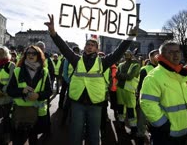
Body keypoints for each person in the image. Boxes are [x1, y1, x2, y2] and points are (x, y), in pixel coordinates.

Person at [44, 14, 137, 145]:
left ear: (97, 48)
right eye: (88, 44)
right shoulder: (76, 59)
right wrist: (53, 33)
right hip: (77, 102)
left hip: (95, 103)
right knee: (75, 134)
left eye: (93, 45)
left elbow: (118, 52)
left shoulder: (103, 62)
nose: (90, 46)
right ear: (85, 46)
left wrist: (130, 37)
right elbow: (63, 48)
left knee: (94, 135)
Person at [140, 41, 187, 145]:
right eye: (171, 52)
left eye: (178, 51)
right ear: (162, 55)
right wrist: (163, 125)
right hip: (167, 134)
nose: (176, 55)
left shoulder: (181, 73)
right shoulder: (153, 76)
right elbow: (147, 103)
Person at [6, 45, 52, 145]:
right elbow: (9, 90)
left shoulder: (44, 72)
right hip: (20, 111)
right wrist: (22, 90)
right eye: (28, 53)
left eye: (34, 53)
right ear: (25, 55)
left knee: (33, 139)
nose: (31, 55)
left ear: (39, 56)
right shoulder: (17, 71)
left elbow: (49, 91)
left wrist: (38, 95)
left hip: (38, 111)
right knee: (17, 139)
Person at [116, 50, 141, 139]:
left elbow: (130, 77)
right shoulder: (120, 65)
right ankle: (121, 124)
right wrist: (123, 76)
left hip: (129, 90)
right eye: (125, 54)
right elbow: (116, 75)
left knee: (131, 110)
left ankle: (133, 129)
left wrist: (120, 75)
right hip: (120, 88)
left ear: (132, 55)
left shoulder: (136, 65)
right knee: (120, 108)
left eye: (128, 54)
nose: (126, 55)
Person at [135, 49, 159, 145]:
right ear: (151, 57)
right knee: (142, 121)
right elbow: (140, 87)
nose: (160, 57)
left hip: (159, 101)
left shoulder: (163, 69)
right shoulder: (145, 69)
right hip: (145, 101)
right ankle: (140, 137)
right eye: (157, 55)